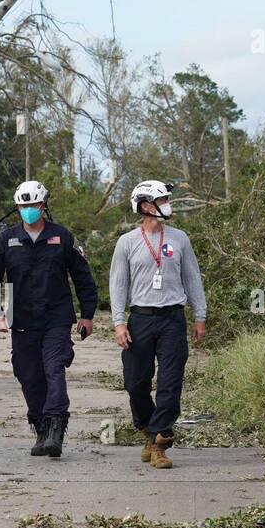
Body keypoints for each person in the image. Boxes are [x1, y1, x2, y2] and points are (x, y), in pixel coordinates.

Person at [0, 180, 98, 458]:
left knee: (54, 368)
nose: (28, 210)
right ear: (17, 208)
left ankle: (57, 428)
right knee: (28, 376)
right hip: (22, 320)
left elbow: (83, 277)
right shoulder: (6, 240)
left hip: (56, 318)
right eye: (23, 206)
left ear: (43, 206)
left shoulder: (62, 237)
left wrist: (88, 315)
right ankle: (41, 426)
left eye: (33, 205)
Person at [110, 180, 208, 469]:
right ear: (145, 205)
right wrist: (118, 323)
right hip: (140, 319)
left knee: (170, 382)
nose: (167, 204)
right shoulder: (127, 242)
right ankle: (147, 429)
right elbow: (118, 284)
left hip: (172, 319)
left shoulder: (180, 238)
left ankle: (161, 441)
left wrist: (199, 315)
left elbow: (193, 279)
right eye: (162, 200)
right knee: (135, 382)